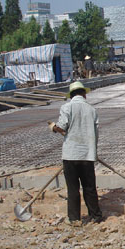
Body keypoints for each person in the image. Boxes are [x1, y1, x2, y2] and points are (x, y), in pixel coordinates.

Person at [49, 81, 103, 225]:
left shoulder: (66, 107)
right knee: (89, 187)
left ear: (71, 95)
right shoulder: (92, 110)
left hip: (70, 155)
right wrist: (94, 151)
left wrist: (53, 128)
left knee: (73, 189)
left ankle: (74, 219)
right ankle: (96, 216)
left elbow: (62, 127)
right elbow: (96, 134)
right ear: (83, 94)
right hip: (87, 154)